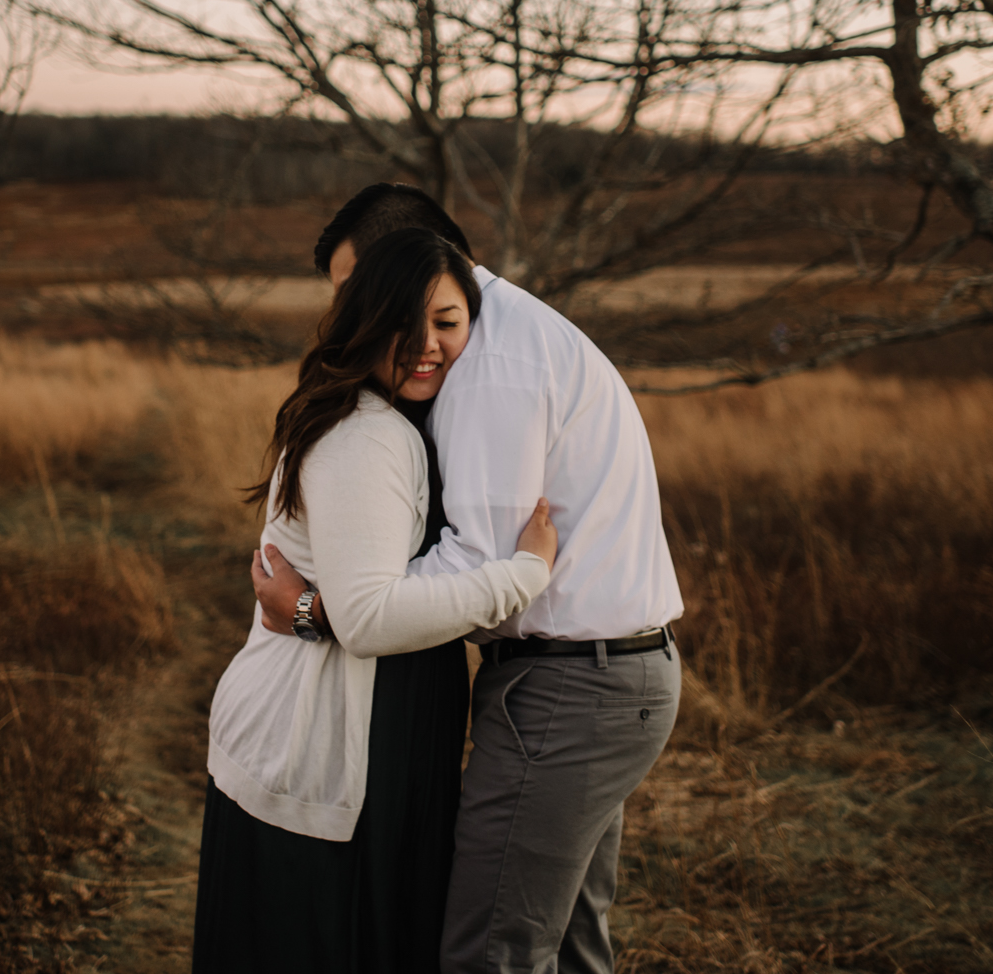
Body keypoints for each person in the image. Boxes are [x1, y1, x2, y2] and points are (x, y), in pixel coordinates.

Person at [253, 182, 684, 974]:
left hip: (571, 691)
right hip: (599, 676)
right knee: (569, 941)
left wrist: (322, 606)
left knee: (491, 952)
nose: (357, 315)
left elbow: (478, 568)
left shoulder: (494, 370)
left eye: (361, 289)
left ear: (423, 260)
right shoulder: (498, 333)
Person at [193, 226, 561, 973]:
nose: (423, 344)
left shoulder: (391, 419)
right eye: (399, 321)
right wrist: (523, 575)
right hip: (324, 740)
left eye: (446, 323)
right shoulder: (368, 436)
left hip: (349, 727)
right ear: (361, 321)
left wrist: (307, 610)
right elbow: (367, 618)